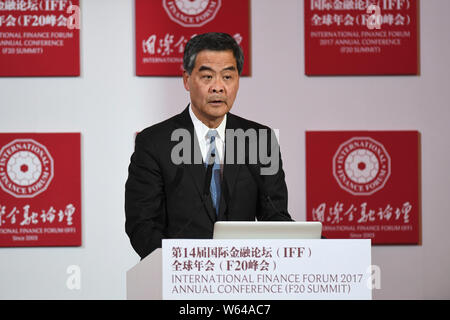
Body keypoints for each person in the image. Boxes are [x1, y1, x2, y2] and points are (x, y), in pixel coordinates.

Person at [125, 32, 292, 259]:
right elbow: (142, 226)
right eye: (207, 77)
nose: (218, 87)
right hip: (181, 280)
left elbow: (275, 217)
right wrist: (185, 265)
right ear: (186, 80)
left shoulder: (260, 139)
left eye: (227, 77)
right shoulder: (154, 142)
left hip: (245, 278)